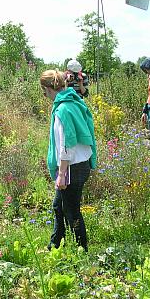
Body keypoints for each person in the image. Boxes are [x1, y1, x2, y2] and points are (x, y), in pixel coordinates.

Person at [41, 69, 97, 252]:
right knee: (58, 206)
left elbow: (67, 144)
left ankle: (82, 250)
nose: (43, 94)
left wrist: (62, 174)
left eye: (43, 90)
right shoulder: (74, 101)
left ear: (48, 88)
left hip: (72, 166)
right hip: (80, 164)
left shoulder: (63, 109)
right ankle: (55, 245)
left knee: (72, 211)